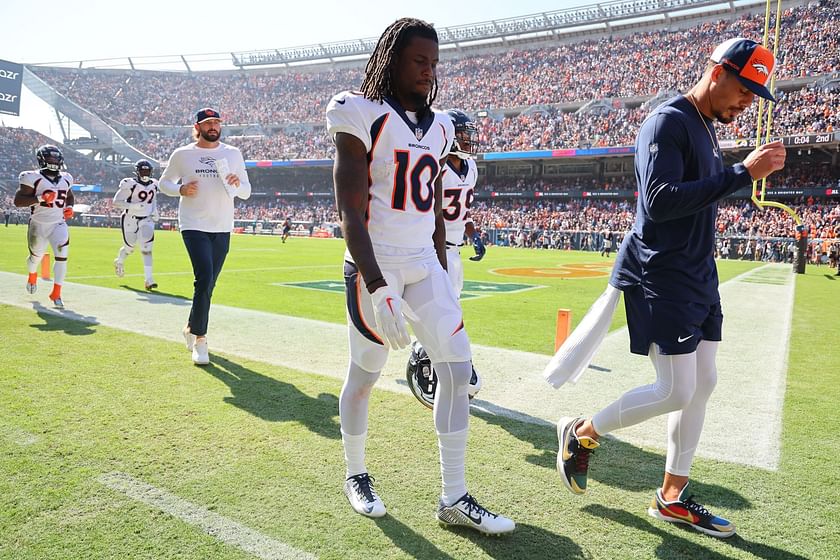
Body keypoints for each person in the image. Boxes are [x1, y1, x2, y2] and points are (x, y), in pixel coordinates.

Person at [553, 38, 786, 538]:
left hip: (698, 271)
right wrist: (742, 173)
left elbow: (700, 196)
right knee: (675, 388)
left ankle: (672, 496)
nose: (747, 102)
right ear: (718, 72)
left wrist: (737, 176)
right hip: (661, 272)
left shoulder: (705, 125)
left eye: (755, 94)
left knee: (702, 384)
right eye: (744, 88)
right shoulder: (667, 121)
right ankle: (582, 433)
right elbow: (659, 201)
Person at [326, 18, 514, 535]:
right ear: (392, 59)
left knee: (455, 370)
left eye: (434, 63)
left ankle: (454, 496)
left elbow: (431, 209)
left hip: (424, 265)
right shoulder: (359, 112)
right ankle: (356, 473)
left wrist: (436, 261)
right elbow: (350, 209)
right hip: (375, 265)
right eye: (418, 61)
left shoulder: (442, 127)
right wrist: (378, 284)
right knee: (364, 376)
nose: (429, 72)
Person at [159, 108, 251, 365]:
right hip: (193, 224)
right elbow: (162, 183)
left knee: (208, 284)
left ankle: (191, 325)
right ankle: (200, 339)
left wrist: (236, 183)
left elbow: (246, 191)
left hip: (222, 226)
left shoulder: (232, 154)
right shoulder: (183, 154)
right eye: (207, 122)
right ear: (197, 127)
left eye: (216, 122)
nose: (213, 126)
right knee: (204, 277)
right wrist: (180, 189)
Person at [406, 109, 483, 408]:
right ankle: (425, 360)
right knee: (442, 314)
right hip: (433, 247)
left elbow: (461, 212)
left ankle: (437, 357)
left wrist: (473, 233)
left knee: (450, 311)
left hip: (455, 250)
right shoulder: (436, 167)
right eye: (462, 134)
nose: (468, 139)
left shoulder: (470, 168)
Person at [13, 144, 75, 309]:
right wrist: (40, 198)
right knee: (35, 258)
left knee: (62, 257)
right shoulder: (31, 177)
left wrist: (69, 208)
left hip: (58, 223)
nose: (54, 161)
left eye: (56, 158)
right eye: (50, 158)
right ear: (42, 159)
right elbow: (18, 201)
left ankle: (56, 292)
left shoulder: (66, 178)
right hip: (38, 224)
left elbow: (69, 196)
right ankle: (32, 275)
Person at [113, 159, 160, 290]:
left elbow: (153, 198)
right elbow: (116, 202)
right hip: (130, 218)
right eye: (142, 171)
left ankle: (149, 279)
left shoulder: (154, 184)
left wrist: (154, 210)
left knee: (147, 249)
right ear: (137, 172)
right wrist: (134, 206)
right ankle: (119, 262)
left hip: (146, 219)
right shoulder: (130, 184)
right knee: (129, 248)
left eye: (147, 171)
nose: (145, 173)